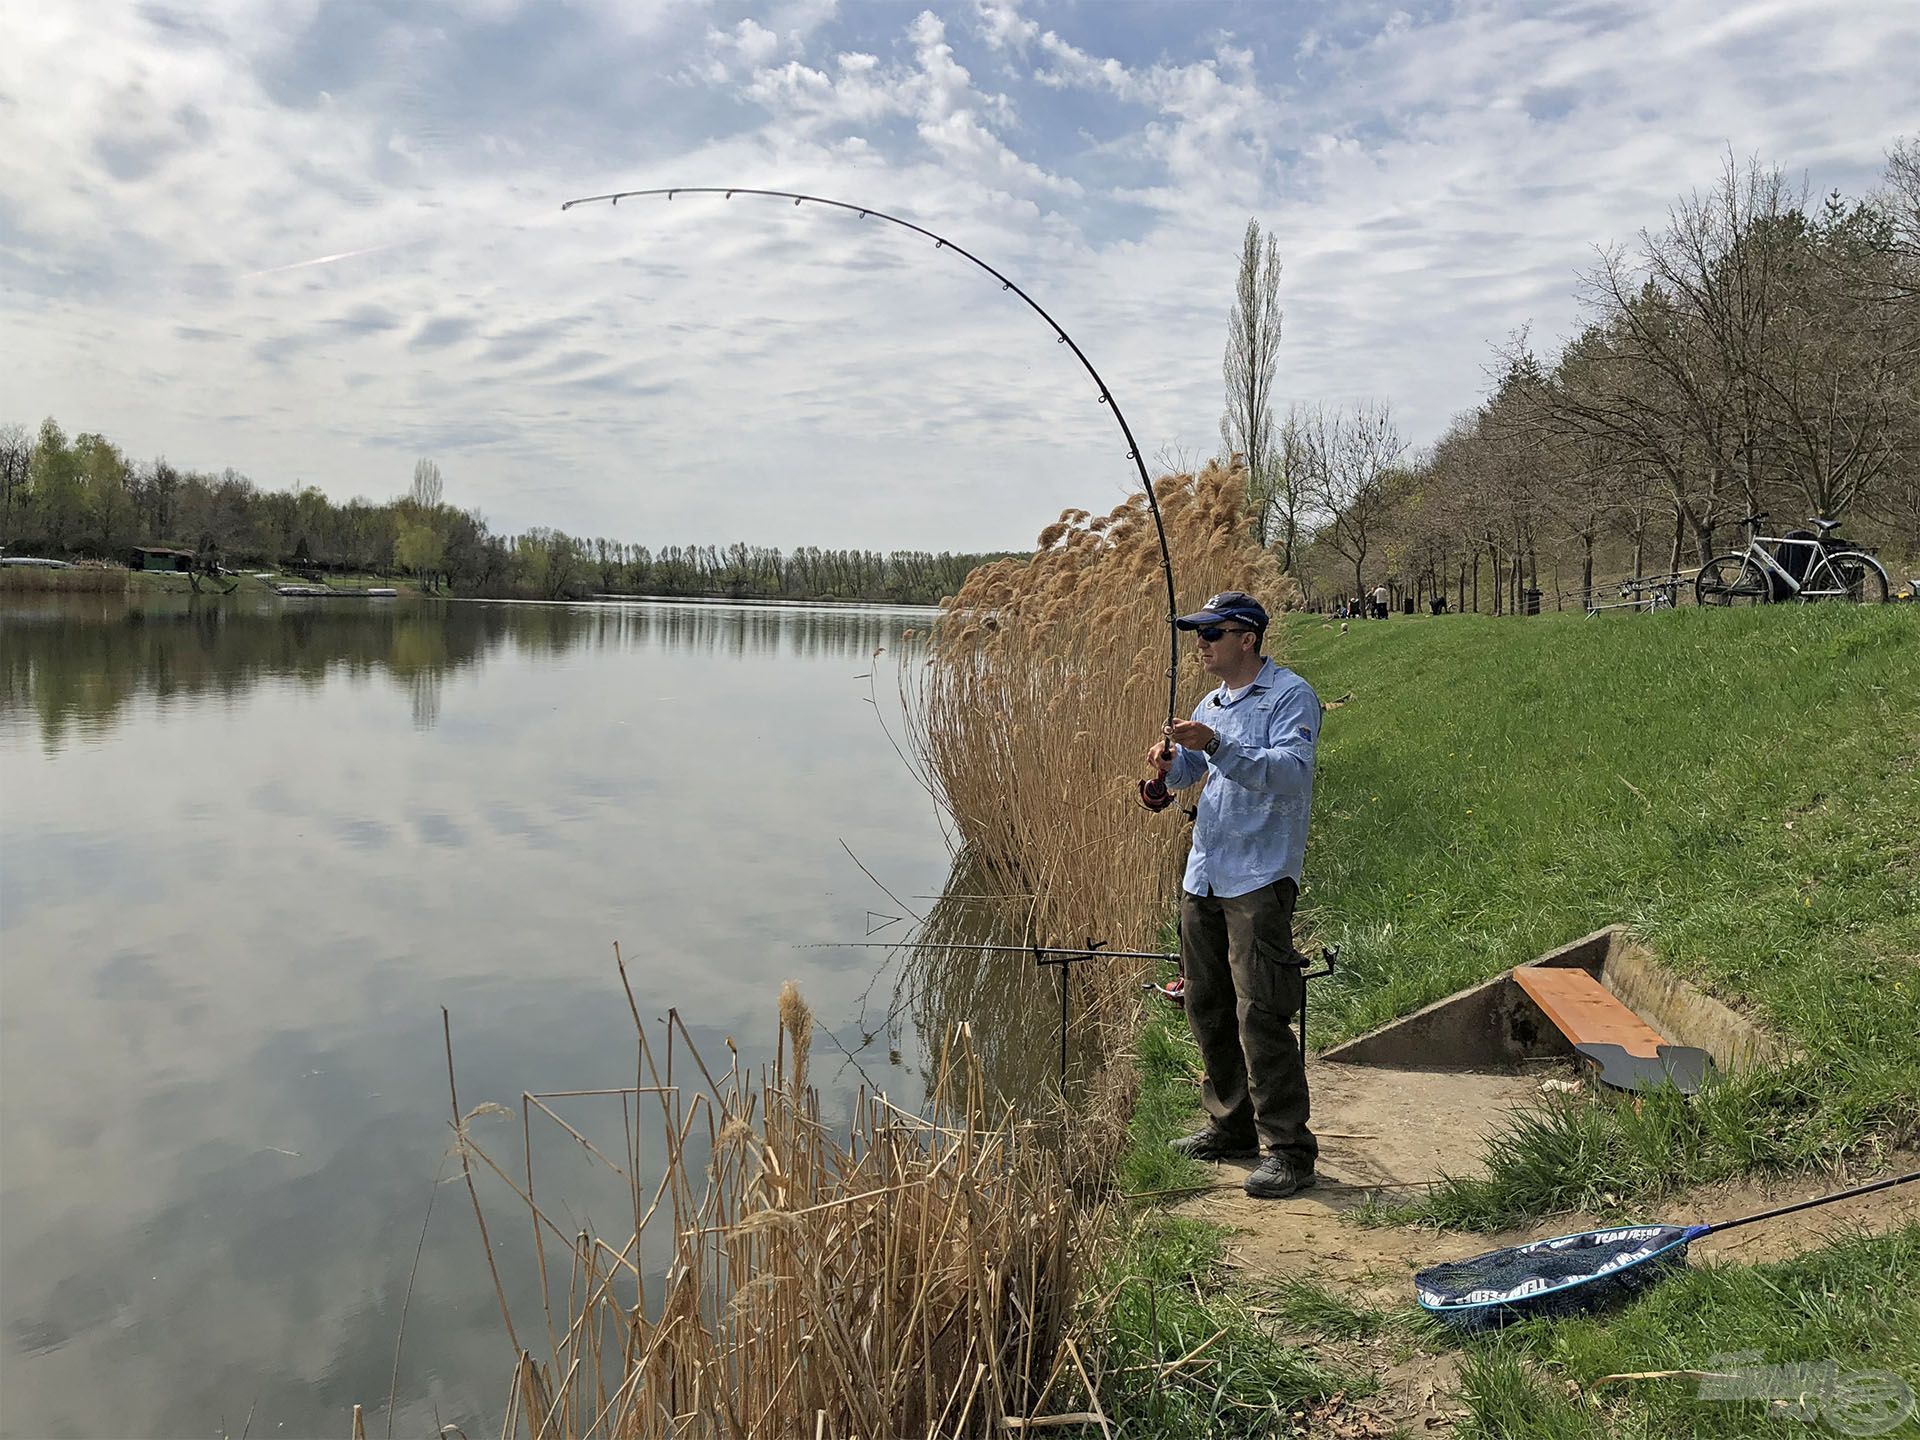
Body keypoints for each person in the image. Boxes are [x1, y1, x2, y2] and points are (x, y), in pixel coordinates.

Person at [1143, 590, 1320, 1199]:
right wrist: (1170, 768)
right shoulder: (1210, 702)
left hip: (1259, 876)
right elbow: (1197, 774)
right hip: (1206, 874)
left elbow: (1290, 774)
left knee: (1261, 1010)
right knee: (1207, 1003)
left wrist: (1214, 743)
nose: (1201, 642)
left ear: (1247, 638)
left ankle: (1289, 1150)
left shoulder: (1291, 695)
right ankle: (1231, 1127)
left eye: (1212, 632)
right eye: (1198, 632)